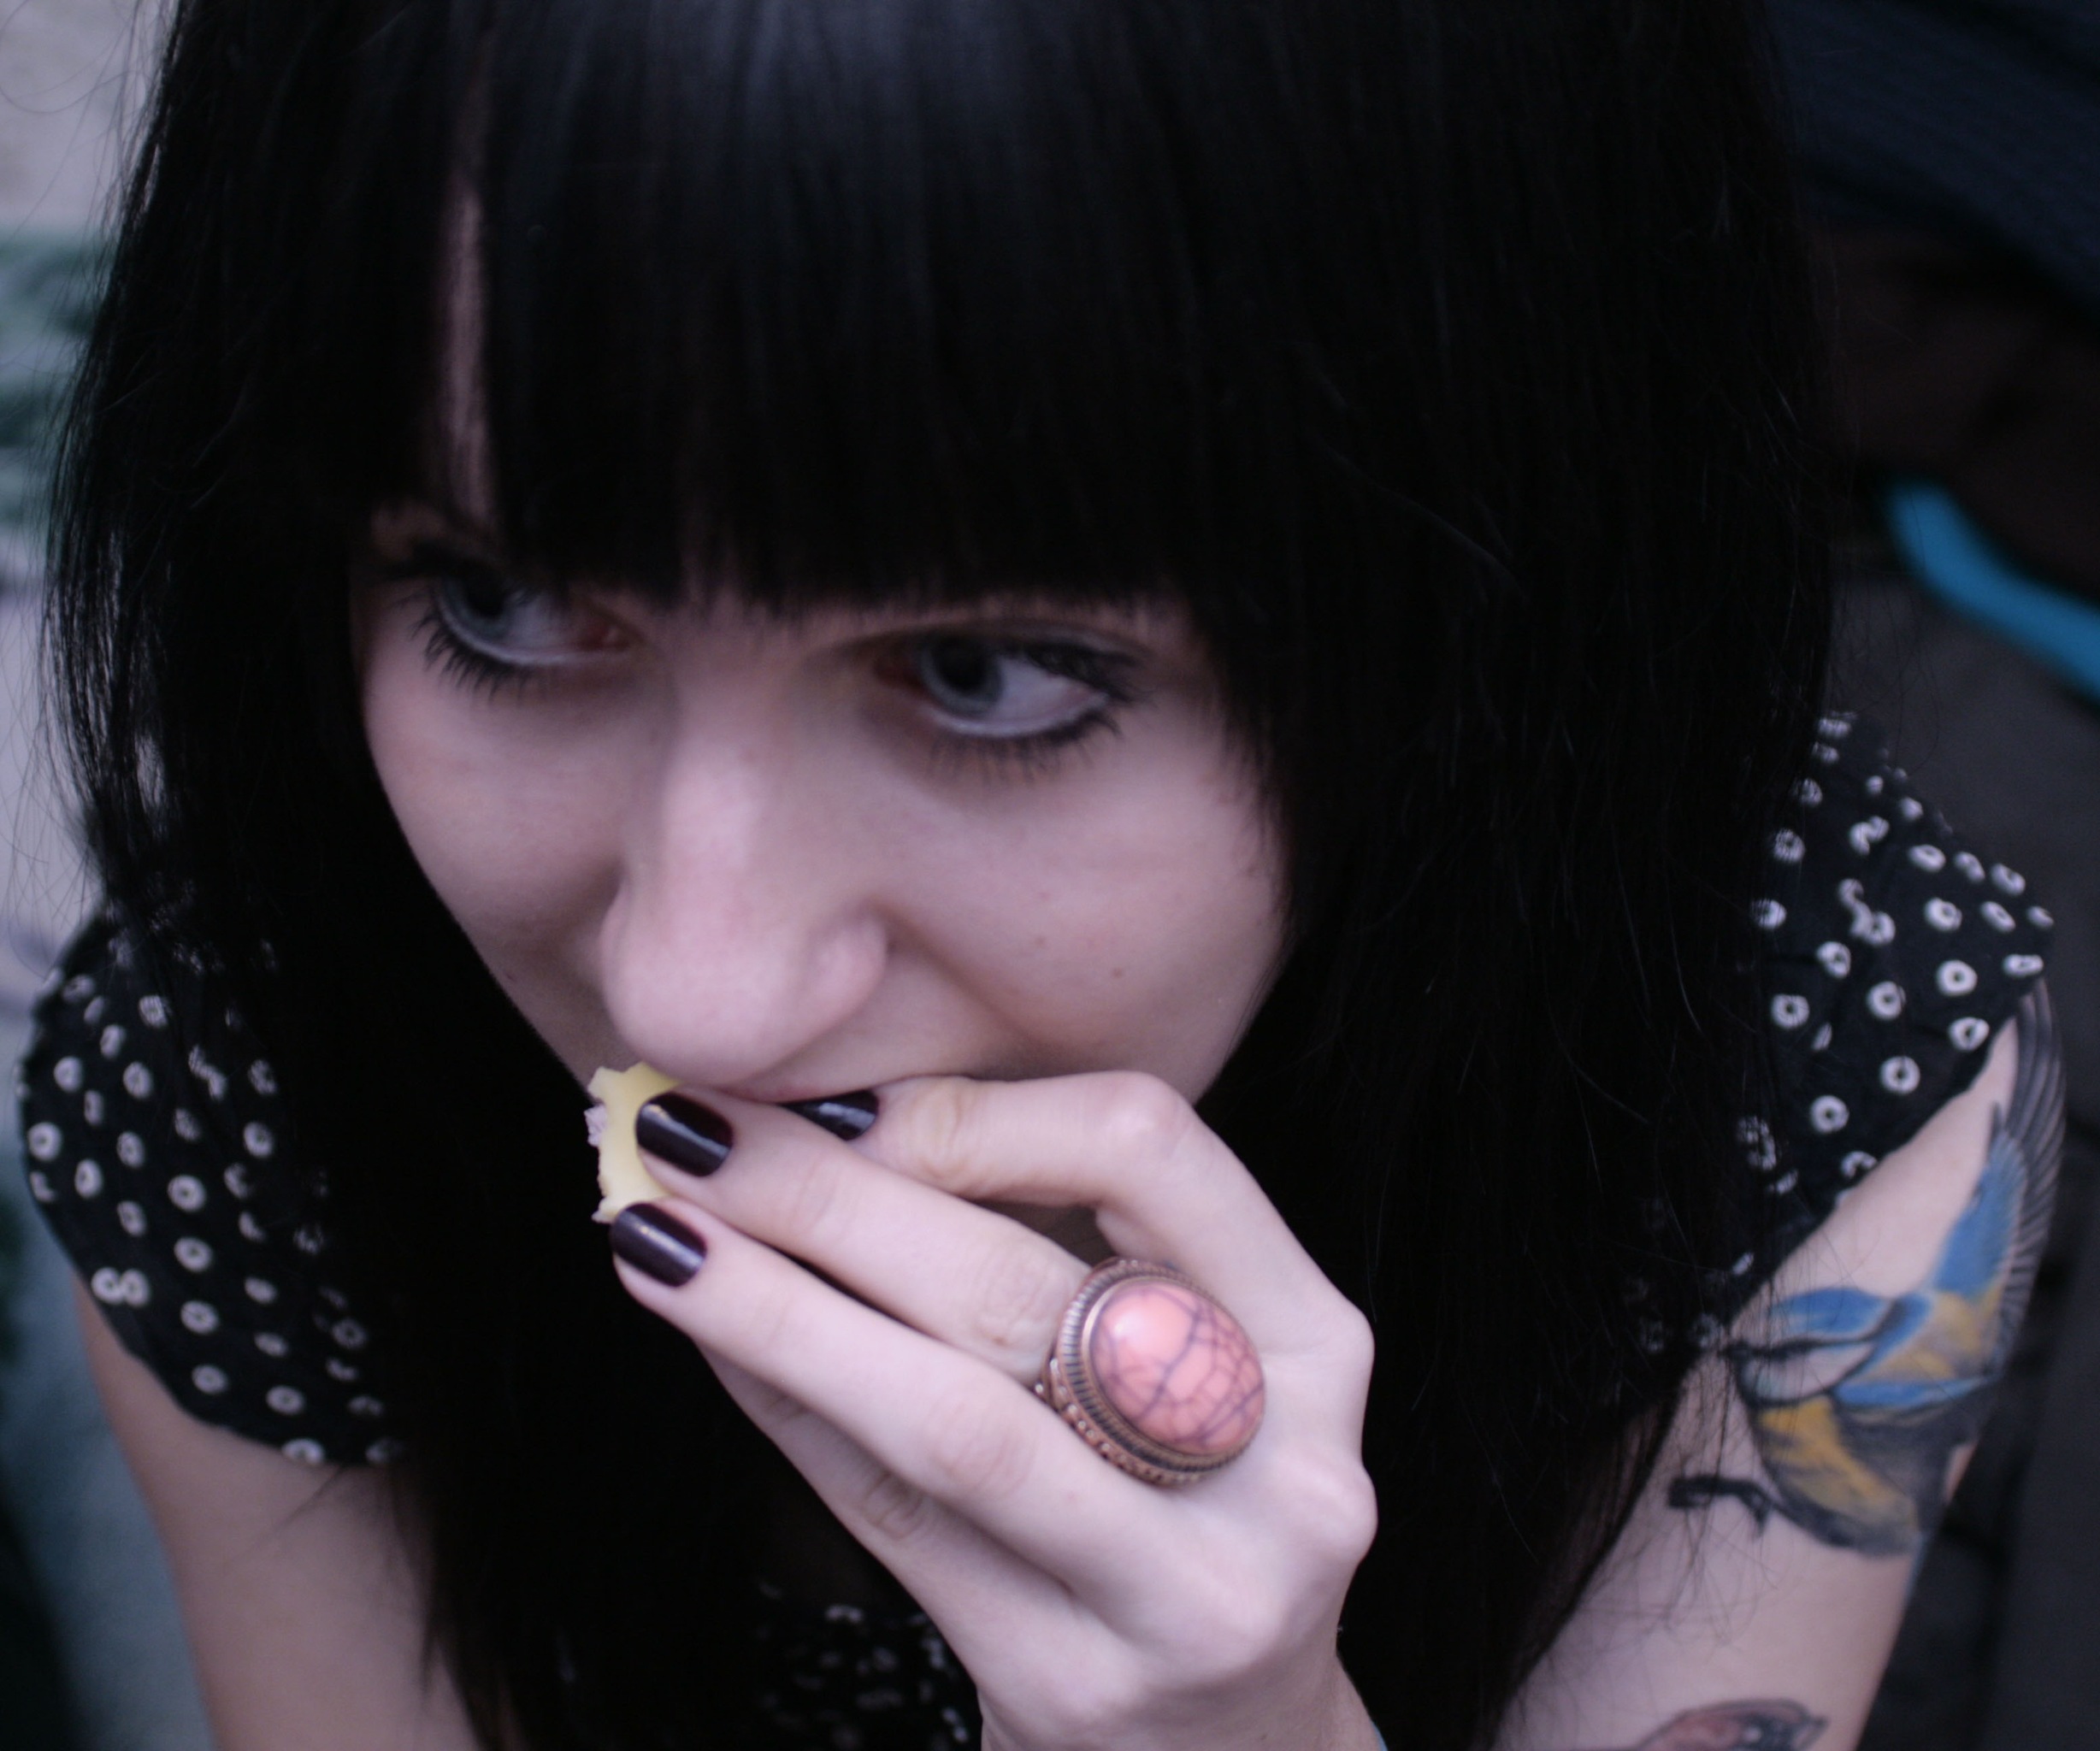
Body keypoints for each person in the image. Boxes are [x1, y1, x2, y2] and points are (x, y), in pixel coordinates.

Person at [12, 1, 2063, 1747]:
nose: (694, 990)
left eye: (982, 674)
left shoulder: (1805, 1054)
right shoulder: (252, 1078)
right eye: (507, 605)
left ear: (1472, 623)